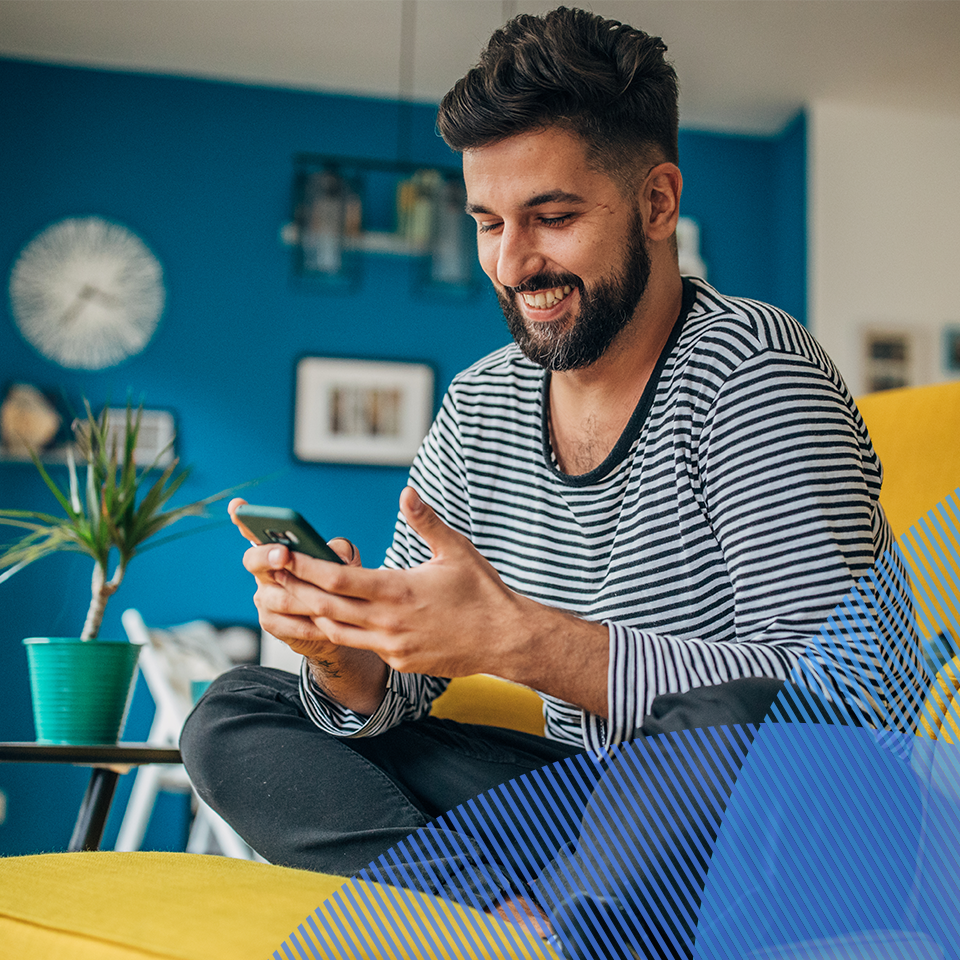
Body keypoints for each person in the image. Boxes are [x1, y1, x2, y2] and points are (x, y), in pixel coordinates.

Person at [181, 8, 924, 957]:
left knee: (734, 720)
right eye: (489, 222)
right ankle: (500, 922)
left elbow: (846, 700)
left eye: (553, 217)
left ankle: (567, 918)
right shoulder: (482, 405)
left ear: (658, 203)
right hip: (600, 823)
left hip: (796, 829)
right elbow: (403, 687)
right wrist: (346, 654)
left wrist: (525, 643)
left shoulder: (756, 376)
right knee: (237, 713)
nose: (512, 262)